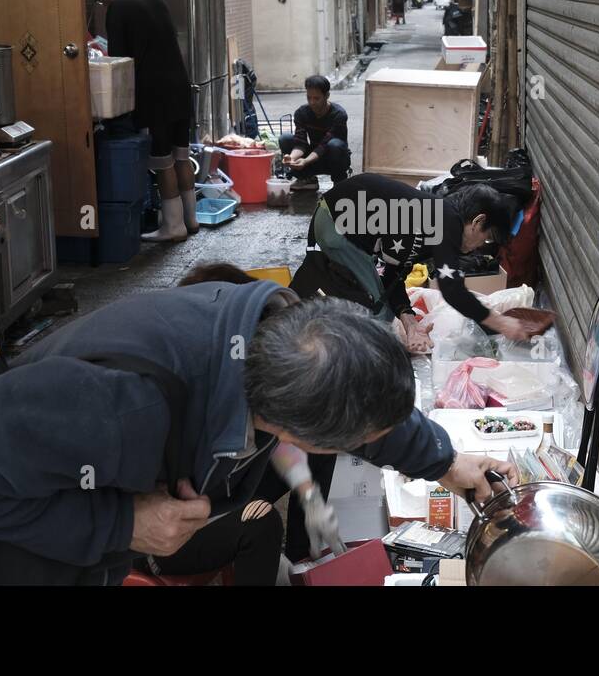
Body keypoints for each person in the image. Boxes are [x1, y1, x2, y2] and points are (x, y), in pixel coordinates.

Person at [0, 279, 514, 586]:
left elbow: (356, 399)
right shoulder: (120, 407)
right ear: (301, 436)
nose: (370, 442)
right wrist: (122, 524)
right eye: (358, 439)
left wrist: (444, 462)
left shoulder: (280, 339)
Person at [129, 263, 341, 585]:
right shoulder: (174, 381)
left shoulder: (229, 370)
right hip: (160, 532)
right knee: (261, 522)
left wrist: (309, 494)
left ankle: (303, 565)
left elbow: (275, 435)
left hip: (211, 495)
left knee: (310, 449)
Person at [292, 173, 543, 355]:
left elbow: (392, 275)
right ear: (477, 221)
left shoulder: (431, 224)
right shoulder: (447, 219)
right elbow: (452, 290)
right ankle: (371, 376)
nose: (479, 246)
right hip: (337, 223)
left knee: (377, 307)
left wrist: (411, 323)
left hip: (333, 223)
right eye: (485, 237)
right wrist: (502, 323)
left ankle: (290, 315)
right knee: (375, 313)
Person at [87, 0, 198, 243]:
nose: (103, 5)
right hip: (180, 85)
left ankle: (174, 227)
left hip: (155, 91)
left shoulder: (119, 10)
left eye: (100, 0)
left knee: (163, 161)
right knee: (182, 155)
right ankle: (191, 220)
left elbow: (119, 62)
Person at [280, 75, 351, 191]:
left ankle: (339, 183)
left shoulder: (339, 115)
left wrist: (306, 161)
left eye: (316, 98)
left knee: (335, 145)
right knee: (285, 139)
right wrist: (291, 158)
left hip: (333, 157)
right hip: (313, 156)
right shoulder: (301, 113)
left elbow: (324, 145)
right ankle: (306, 179)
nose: (312, 102)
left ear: (327, 96)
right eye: (309, 98)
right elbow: (300, 143)